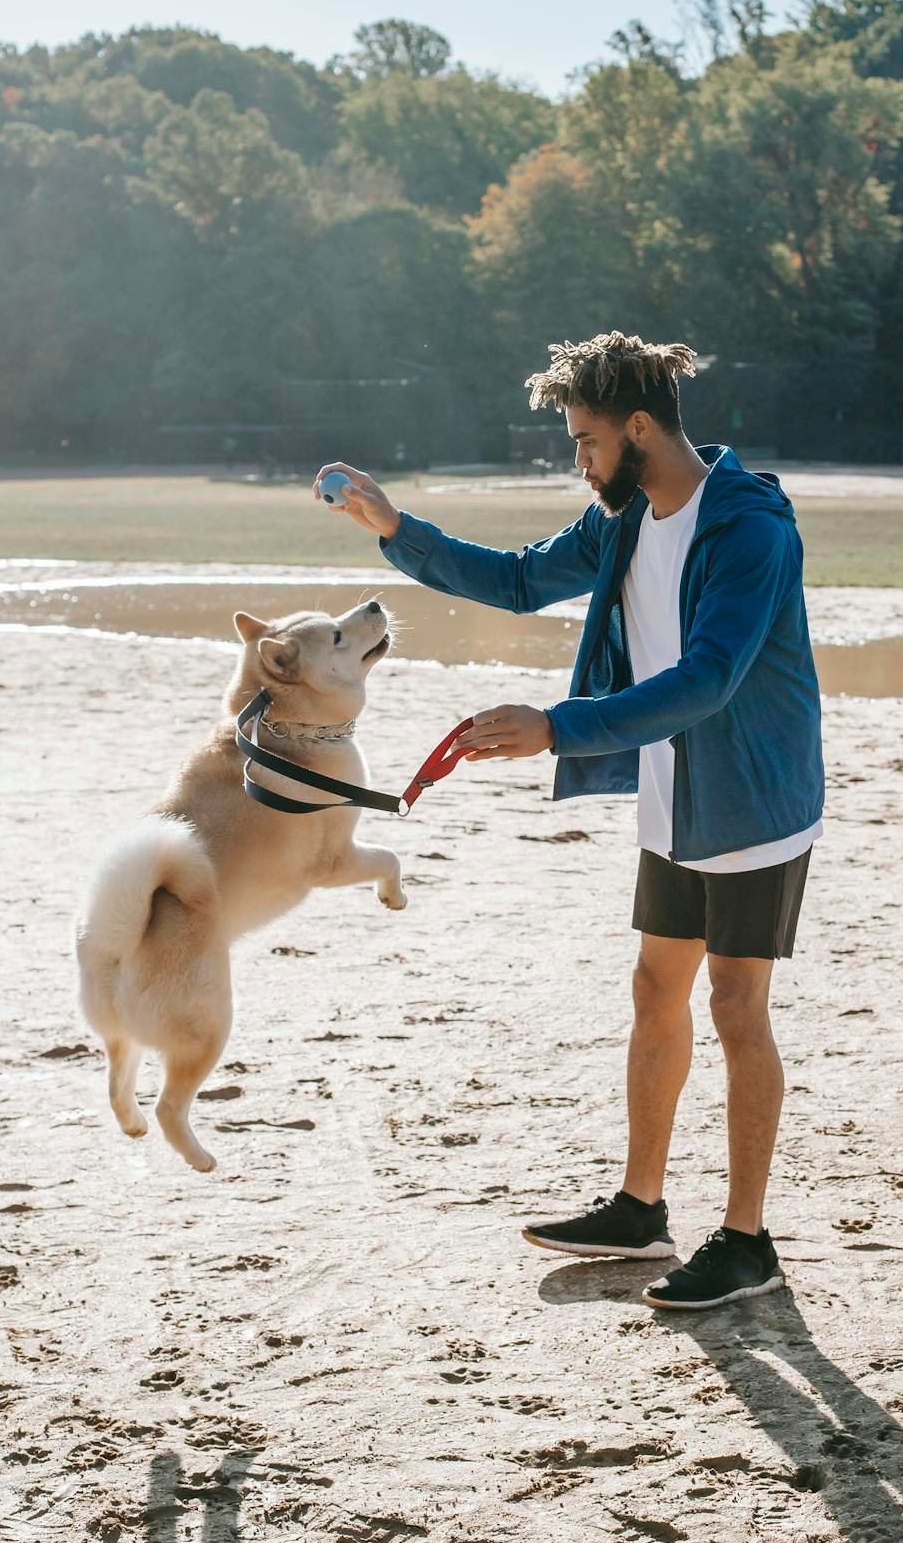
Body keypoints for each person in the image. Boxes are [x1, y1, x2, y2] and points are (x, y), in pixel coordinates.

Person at [315, 331, 824, 1312]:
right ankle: (641, 1206)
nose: (578, 462)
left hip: (755, 793)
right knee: (654, 986)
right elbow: (514, 580)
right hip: (677, 783)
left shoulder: (748, 527)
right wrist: (394, 527)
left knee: (733, 1005)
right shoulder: (626, 516)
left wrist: (557, 725)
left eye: (586, 440)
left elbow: (709, 678)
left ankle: (748, 1238)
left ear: (639, 427)